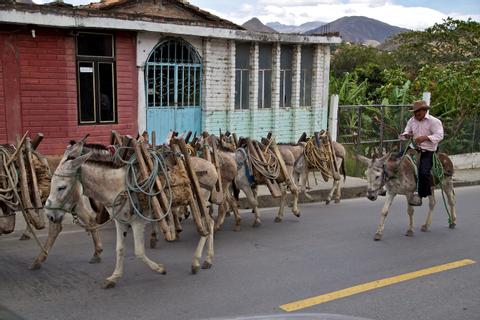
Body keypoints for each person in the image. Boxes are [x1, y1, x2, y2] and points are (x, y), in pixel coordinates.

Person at [399, 100, 444, 206]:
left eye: (418, 112)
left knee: (423, 173)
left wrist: (426, 138)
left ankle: (421, 195)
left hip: (427, 151)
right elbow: (407, 131)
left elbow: (439, 136)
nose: (416, 114)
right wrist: (406, 135)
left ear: (424, 111)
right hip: (412, 149)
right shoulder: (411, 121)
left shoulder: (434, 121)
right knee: (395, 160)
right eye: (414, 112)